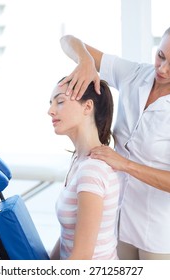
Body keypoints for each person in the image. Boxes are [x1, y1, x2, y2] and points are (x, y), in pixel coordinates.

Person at [59, 19, 170, 260]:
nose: (162, 69)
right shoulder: (136, 74)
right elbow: (67, 41)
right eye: (160, 55)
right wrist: (86, 60)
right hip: (121, 225)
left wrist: (125, 164)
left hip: (163, 237)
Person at [48, 77, 120, 260]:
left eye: (60, 102)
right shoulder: (78, 160)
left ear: (87, 107)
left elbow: (82, 257)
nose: (50, 111)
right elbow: (68, 236)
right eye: (51, 103)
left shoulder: (92, 170)